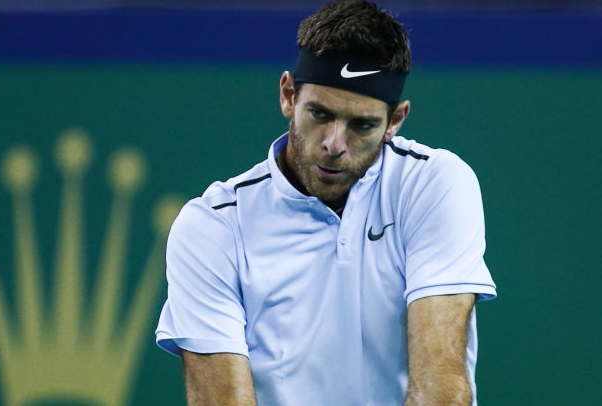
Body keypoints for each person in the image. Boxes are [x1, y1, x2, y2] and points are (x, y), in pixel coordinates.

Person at [155, 1, 496, 405]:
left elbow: (438, 389)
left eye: (362, 125)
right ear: (288, 96)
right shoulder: (212, 227)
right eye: (319, 114)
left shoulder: (434, 184)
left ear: (395, 121)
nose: (335, 144)